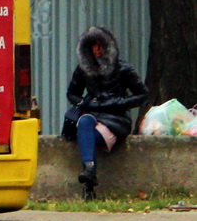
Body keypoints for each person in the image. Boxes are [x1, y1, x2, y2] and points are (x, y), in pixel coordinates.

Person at [62, 26, 147, 200]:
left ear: (108, 46)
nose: (97, 49)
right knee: (84, 121)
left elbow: (143, 94)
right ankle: (89, 173)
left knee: (86, 132)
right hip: (92, 117)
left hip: (115, 120)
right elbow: (72, 93)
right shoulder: (83, 69)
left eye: (100, 45)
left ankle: (89, 182)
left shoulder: (123, 69)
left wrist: (118, 103)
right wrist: (84, 102)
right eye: (92, 46)